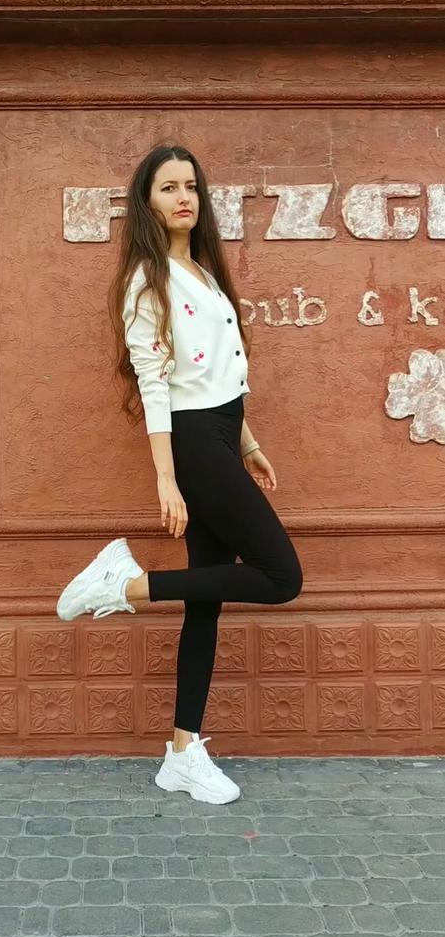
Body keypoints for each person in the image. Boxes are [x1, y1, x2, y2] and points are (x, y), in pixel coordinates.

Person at [56, 143, 303, 804]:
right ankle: (127, 585)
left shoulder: (201, 270)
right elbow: (157, 384)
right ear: (147, 202)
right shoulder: (148, 280)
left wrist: (247, 442)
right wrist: (166, 479)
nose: (183, 197)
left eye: (190, 186)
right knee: (281, 577)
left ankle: (181, 751)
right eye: (168, 187)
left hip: (220, 433)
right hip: (191, 442)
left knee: (205, 602)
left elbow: (219, 374)